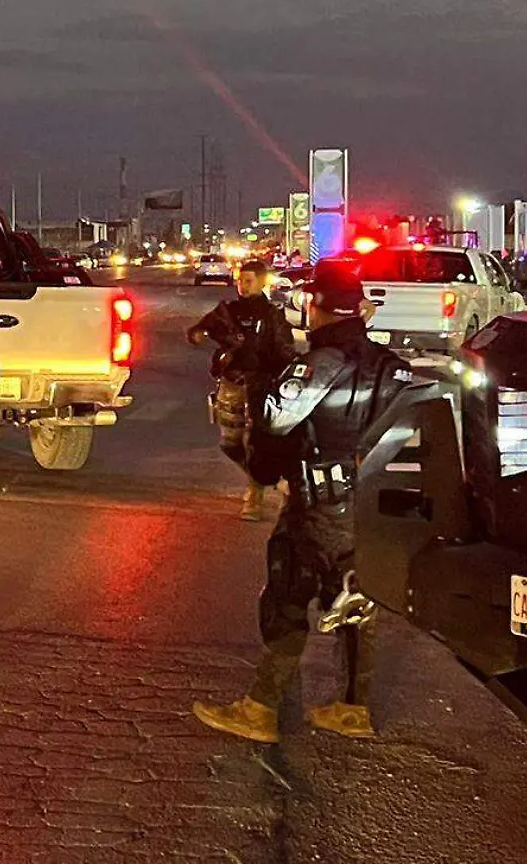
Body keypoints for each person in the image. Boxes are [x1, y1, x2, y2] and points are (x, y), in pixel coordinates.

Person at [193, 260, 415, 743]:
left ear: (315, 307)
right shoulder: (392, 366)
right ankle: (353, 708)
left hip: (317, 504)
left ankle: (261, 708)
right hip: (369, 507)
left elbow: (275, 422)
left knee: (289, 594)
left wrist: (257, 386)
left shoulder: (320, 363)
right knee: (356, 597)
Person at [186, 258, 296, 521]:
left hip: (261, 385)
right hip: (232, 382)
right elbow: (199, 329)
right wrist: (198, 333)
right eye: (240, 281)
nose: (242, 286)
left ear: (261, 282)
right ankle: (269, 478)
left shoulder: (272, 315)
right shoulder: (228, 311)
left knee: (256, 441)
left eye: (248, 281)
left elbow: (285, 350)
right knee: (230, 442)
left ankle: (255, 495)